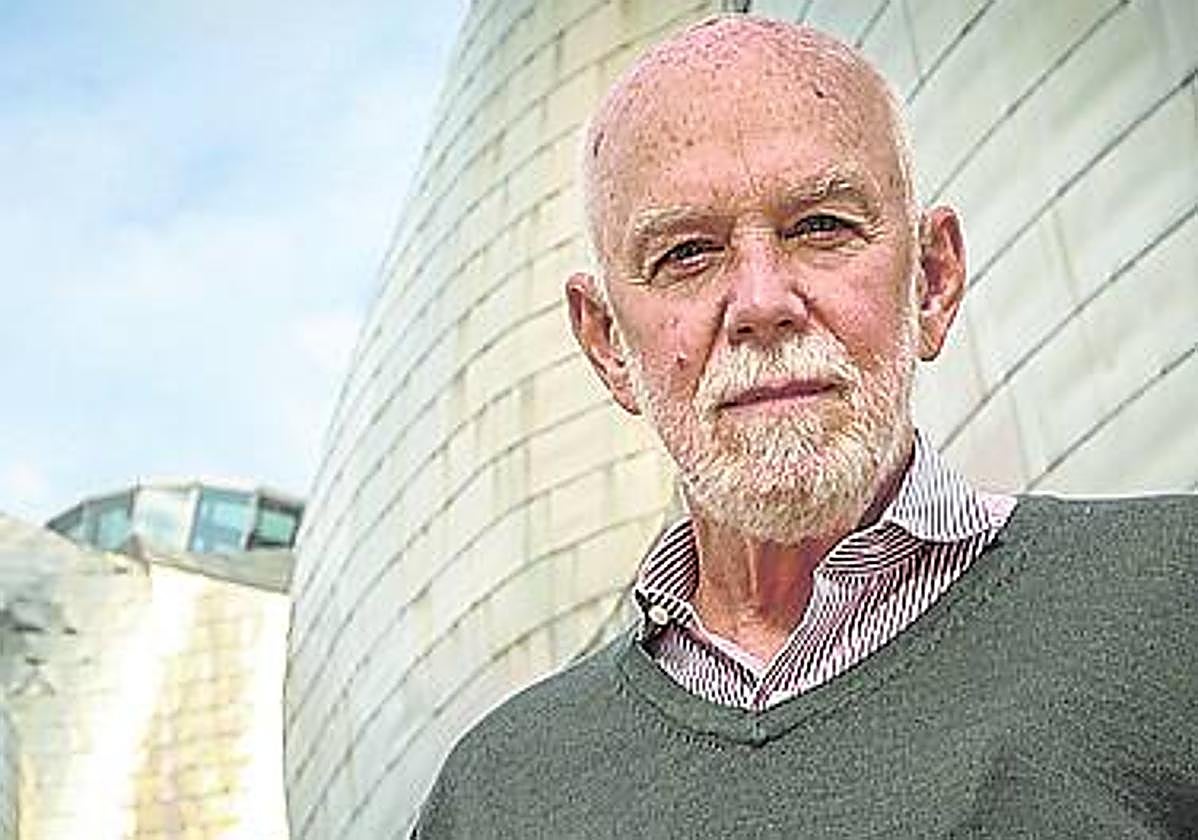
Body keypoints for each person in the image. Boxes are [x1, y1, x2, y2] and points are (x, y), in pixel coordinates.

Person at [412, 15, 1197, 838]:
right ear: (608, 343)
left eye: (822, 226)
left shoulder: (1173, 596)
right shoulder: (498, 793)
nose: (762, 303)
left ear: (932, 282)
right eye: (687, 253)